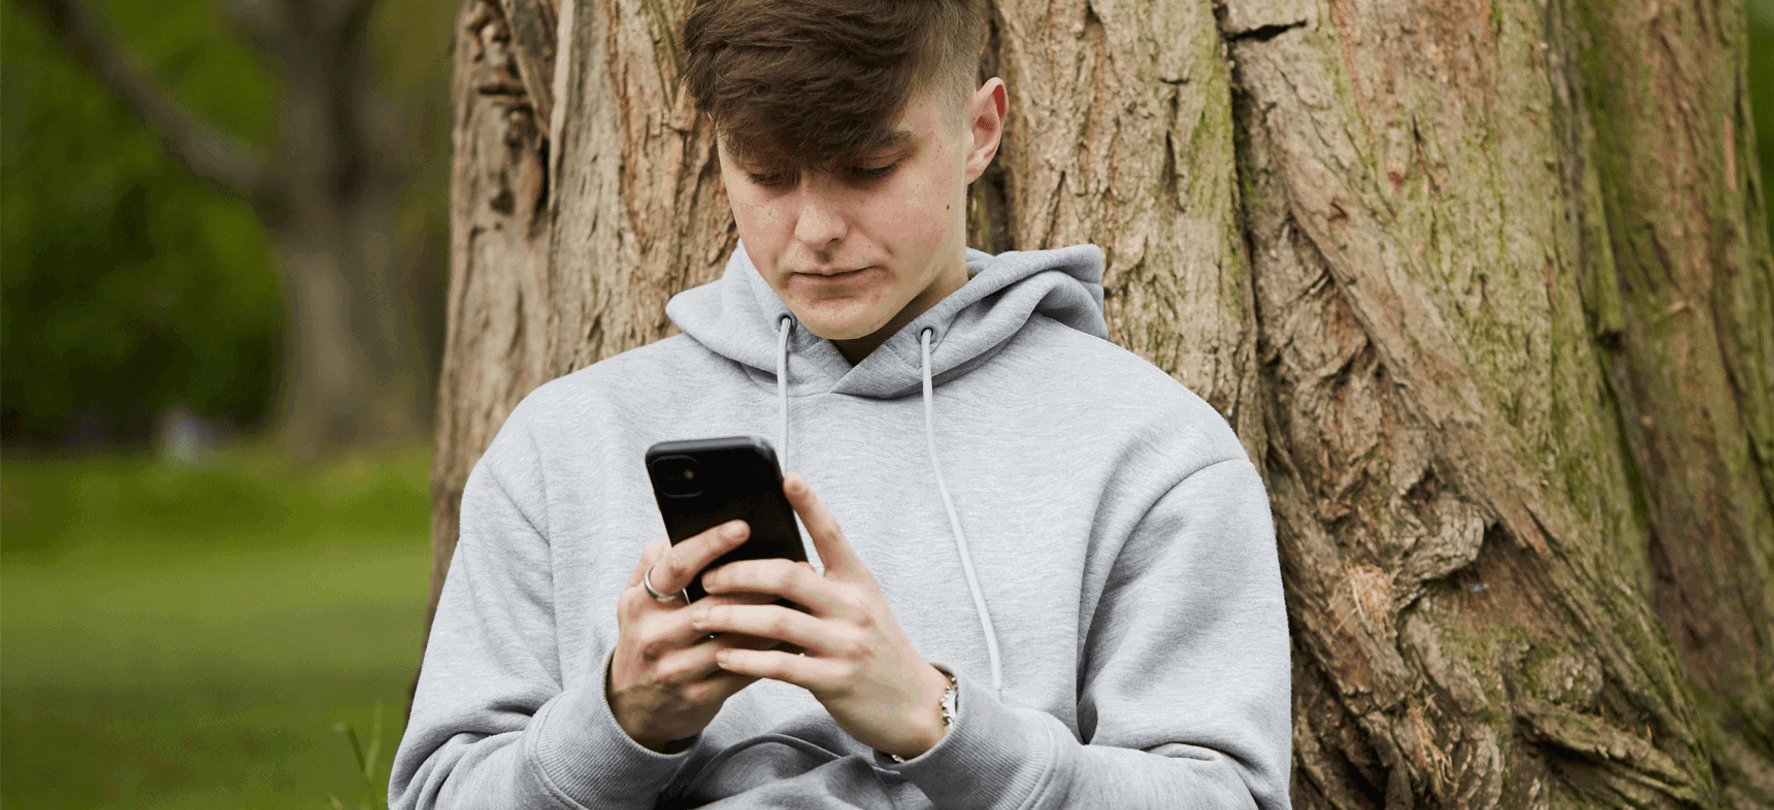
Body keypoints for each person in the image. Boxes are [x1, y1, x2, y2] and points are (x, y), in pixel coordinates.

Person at [388, 0, 1291, 806]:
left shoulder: (1154, 452)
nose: (815, 230)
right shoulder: (565, 443)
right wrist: (620, 720)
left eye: (867, 168)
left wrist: (939, 723)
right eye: (768, 174)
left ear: (980, 131)